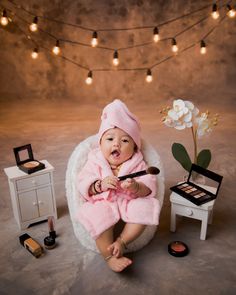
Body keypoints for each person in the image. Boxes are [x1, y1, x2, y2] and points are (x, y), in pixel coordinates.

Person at [77, 99, 160, 272]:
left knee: (145, 207)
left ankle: (122, 241)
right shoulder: (95, 161)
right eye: (110, 139)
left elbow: (149, 187)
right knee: (98, 216)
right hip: (103, 201)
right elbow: (83, 182)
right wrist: (99, 185)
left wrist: (136, 187)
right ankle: (109, 256)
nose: (116, 144)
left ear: (135, 147)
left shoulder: (137, 163)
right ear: (100, 144)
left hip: (128, 200)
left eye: (125, 141)